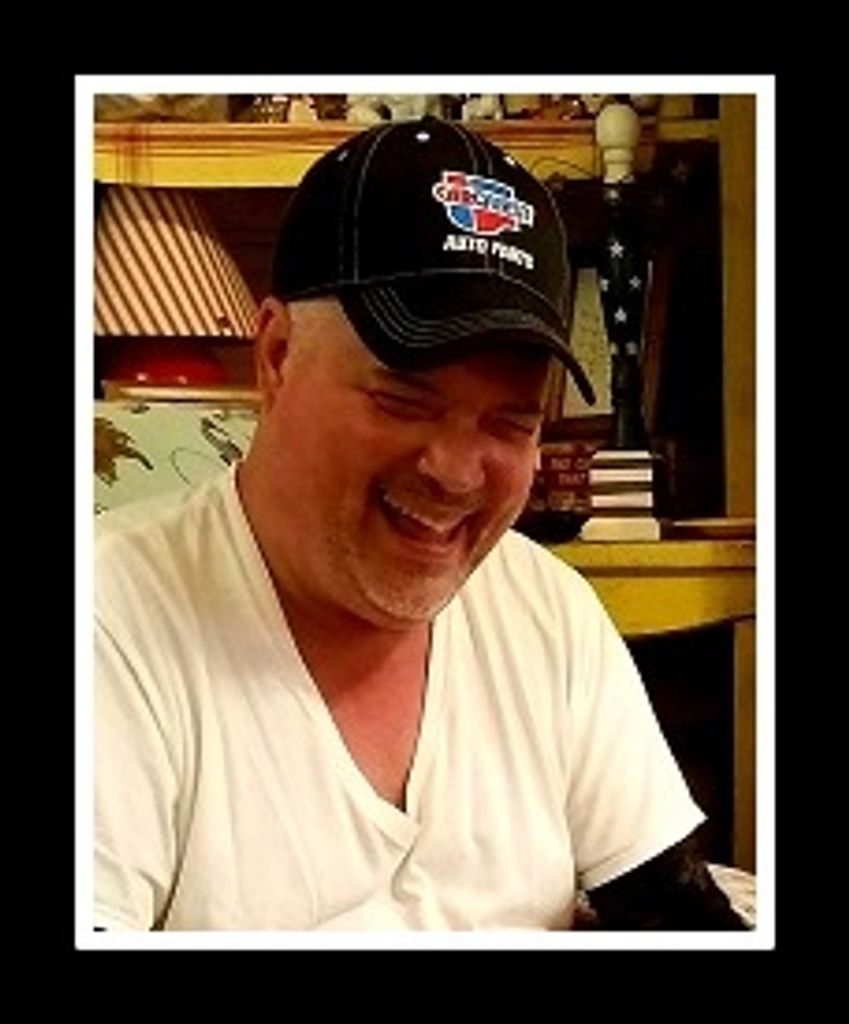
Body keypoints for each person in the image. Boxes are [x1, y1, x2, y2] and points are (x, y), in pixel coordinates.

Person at [94, 116, 747, 932]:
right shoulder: (111, 621)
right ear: (277, 355)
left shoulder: (548, 612)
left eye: (510, 423)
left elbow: (671, 913)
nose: (455, 473)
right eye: (402, 400)